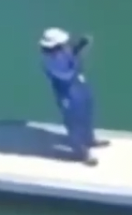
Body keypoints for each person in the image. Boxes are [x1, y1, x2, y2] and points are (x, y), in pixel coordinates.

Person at [39, 27, 97, 165]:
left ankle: (89, 139)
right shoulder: (49, 61)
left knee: (86, 114)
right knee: (74, 122)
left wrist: (81, 45)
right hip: (68, 94)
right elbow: (65, 77)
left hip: (79, 86)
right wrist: (77, 66)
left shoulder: (64, 50)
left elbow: (72, 54)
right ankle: (81, 152)